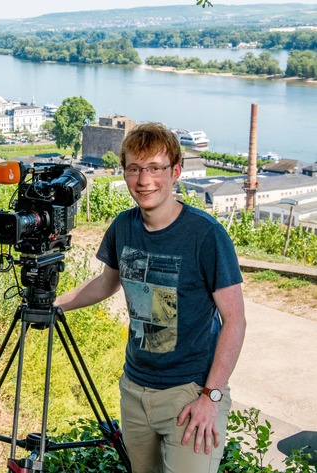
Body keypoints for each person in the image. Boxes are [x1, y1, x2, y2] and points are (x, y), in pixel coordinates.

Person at [55, 122, 246, 473]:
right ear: (125, 172)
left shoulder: (206, 235)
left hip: (189, 394)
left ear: (175, 172)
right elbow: (106, 283)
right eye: (135, 169)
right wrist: (54, 304)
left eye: (155, 168)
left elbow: (235, 320)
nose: (145, 181)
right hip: (135, 389)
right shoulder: (123, 227)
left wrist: (211, 397)